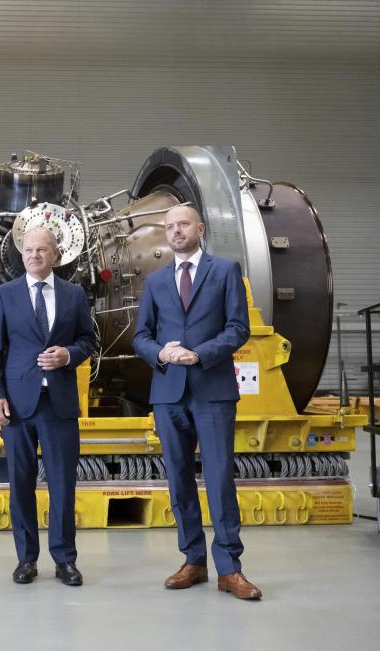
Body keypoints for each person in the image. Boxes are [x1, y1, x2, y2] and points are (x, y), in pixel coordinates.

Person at [133, 205, 262, 600]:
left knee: (220, 476)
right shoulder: (155, 282)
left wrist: (199, 354)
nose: (175, 231)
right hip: (169, 393)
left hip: (212, 390)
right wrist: (162, 353)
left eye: (182, 224)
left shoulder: (224, 271)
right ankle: (193, 561)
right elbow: (141, 336)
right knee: (179, 479)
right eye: (169, 226)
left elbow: (238, 328)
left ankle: (230, 568)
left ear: (200, 229)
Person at [0, 226, 95, 586]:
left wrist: (68, 354)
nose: (34, 256)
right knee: (21, 483)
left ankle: (65, 560)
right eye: (28, 250)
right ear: (21, 254)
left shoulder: (74, 294)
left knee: (63, 484)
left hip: (59, 402)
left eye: (41, 250)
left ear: (55, 254)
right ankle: (26, 559)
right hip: (17, 404)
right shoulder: (4, 295)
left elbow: (87, 340)